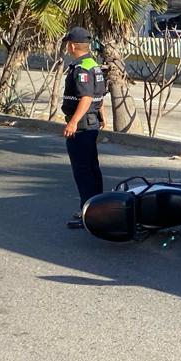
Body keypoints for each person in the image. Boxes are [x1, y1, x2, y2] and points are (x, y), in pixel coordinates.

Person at [61, 26, 107, 229]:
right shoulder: (93, 64)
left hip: (81, 125)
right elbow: (99, 96)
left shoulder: (81, 67)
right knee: (91, 167)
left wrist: (72, 122)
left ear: (71, 46)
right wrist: (102, 116)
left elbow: (87, 97)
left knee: (83, 170)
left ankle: (88, 212)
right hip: (91, 122)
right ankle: (97, 208)